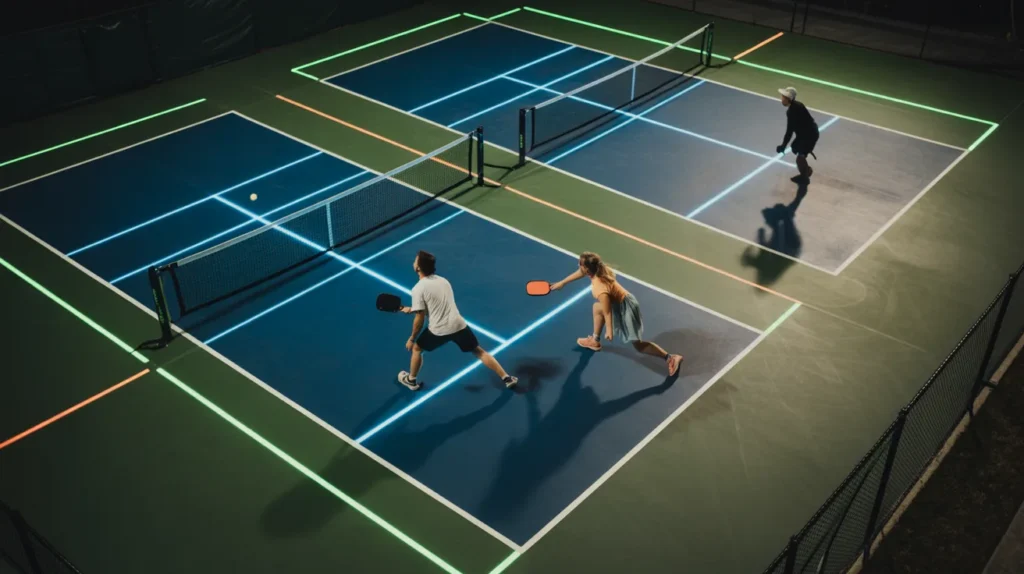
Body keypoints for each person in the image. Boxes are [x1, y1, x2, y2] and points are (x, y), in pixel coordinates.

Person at [398, 250, 517, 391]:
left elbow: (420, 317)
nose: (413, 262)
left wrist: (412, 338)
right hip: (458, 325)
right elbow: (436, 304)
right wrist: (413, 308)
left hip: (439, 331)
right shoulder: (443, 281)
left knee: (417, 348)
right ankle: (506, 378)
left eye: (415, 260)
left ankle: (411, 381)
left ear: (418, 267)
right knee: (479, 351)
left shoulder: (418, 289)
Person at [550, 252, 683, 377]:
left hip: (627, 308)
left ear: (587, 269)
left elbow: (607, 311)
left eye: (580, 264)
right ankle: (595, 341)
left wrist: (609, 330)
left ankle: (671, 358)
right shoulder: (598, 269)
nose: (578, 265)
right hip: (620, 303)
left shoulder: (599, 287)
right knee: (596, 308)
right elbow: (580, 273)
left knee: (638, 345)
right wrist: (562, 282)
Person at [776, 86, 819, 185]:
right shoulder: (797, 106)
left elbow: (789, 131)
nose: (781, 99)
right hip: (806, 134)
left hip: (809, 135)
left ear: (788, 99)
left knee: (800, 158)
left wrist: (783, 145)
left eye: (783, 97)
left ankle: (805, 176)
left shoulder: (792, 111)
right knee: (794, 147)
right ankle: (806, 167)